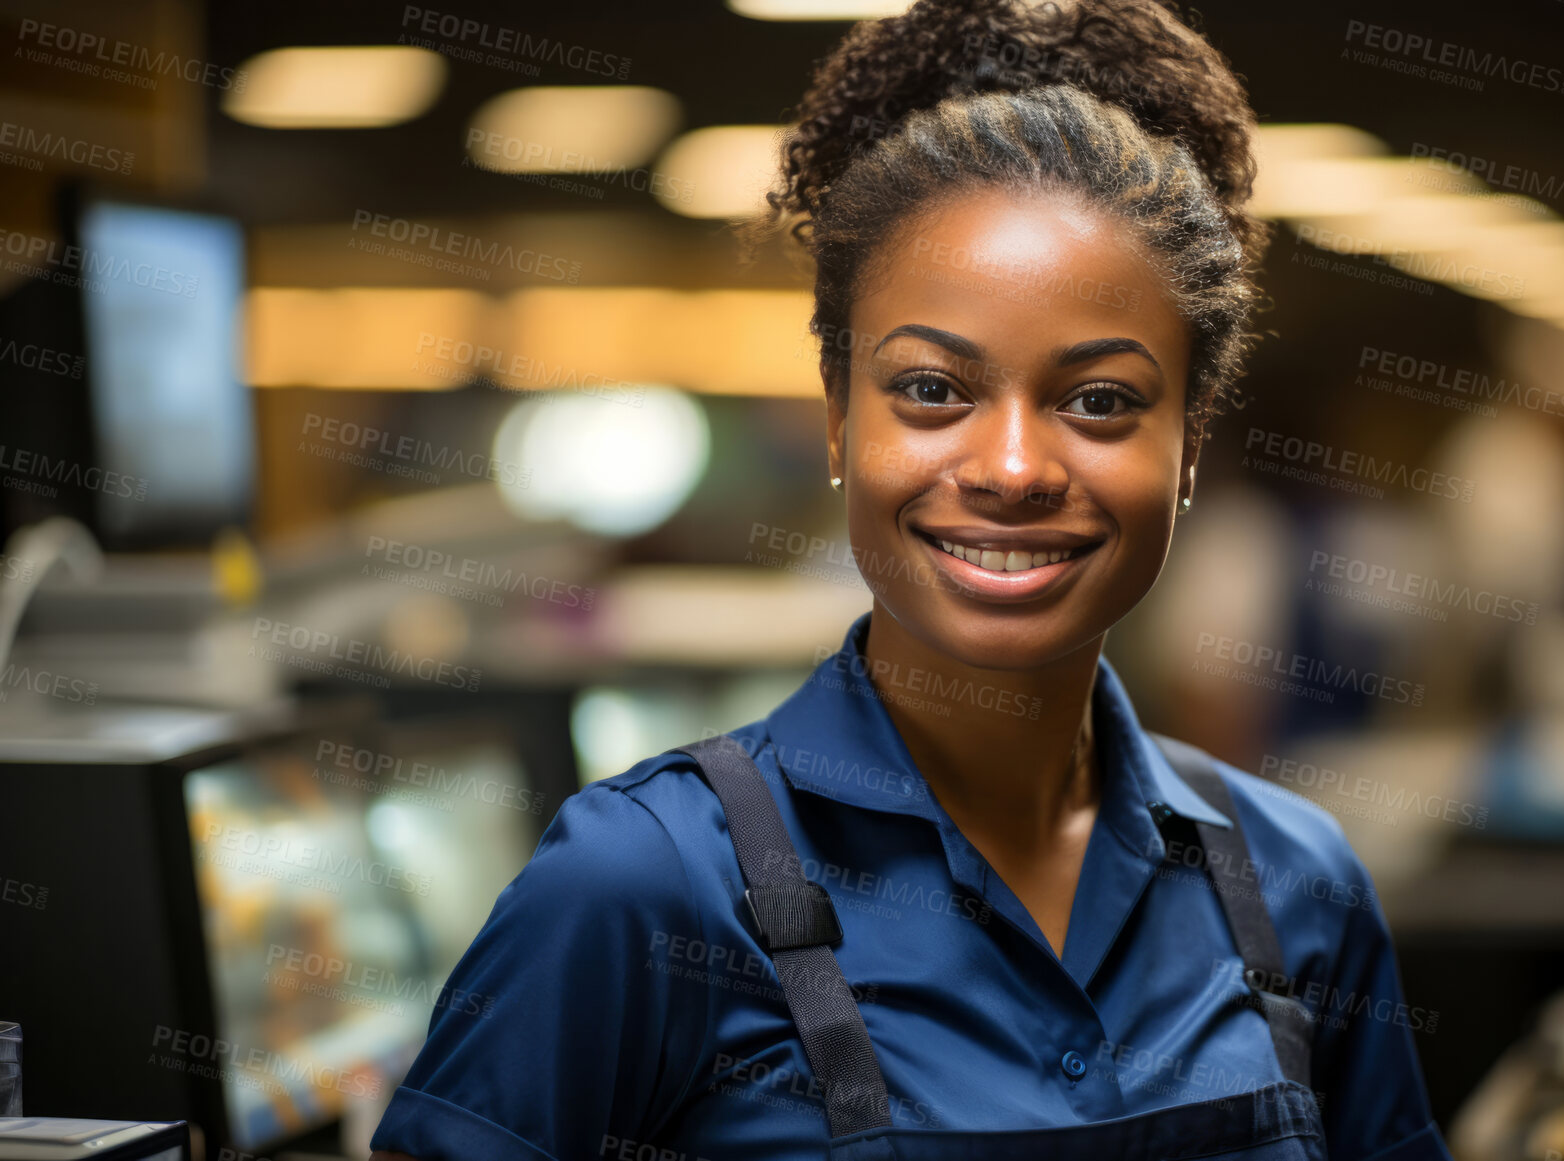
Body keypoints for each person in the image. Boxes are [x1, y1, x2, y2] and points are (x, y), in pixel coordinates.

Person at [369, 0, 1452, 1157]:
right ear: (839, 423)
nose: (1013, 469)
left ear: (1189, 449)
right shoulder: (641, 885)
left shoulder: (1295, 887)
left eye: (1099, 401)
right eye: (932, 390)